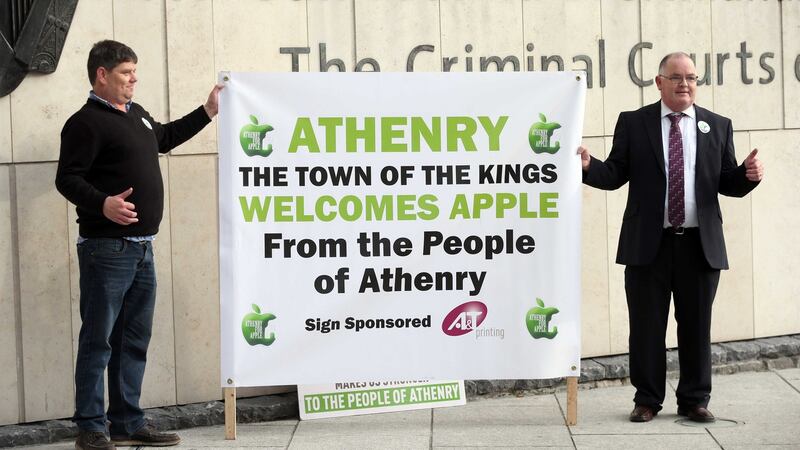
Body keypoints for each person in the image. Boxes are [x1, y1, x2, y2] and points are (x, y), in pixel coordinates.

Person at [577, 52, 763, 423]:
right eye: (676, 77)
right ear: (659, 82)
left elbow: (727, 182)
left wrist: (748, 175)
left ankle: (694, 400)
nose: (684, 84)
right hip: (649, 245)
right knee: (646, 328)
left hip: (700, 245)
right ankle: (647, 399)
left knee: (696, 327)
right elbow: (615, 174)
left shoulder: (717, 125)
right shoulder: (634, 123)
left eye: (691, 77)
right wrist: (588, 167)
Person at [55, 40, 223, 449]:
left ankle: (127, 421)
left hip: (143, 248)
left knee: (133, 339)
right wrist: (103, 203)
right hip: (107, 250)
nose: (134, 79)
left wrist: (207, 112)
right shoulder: (85, 122)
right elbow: (67, 178)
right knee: (99, 340)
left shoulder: (137, 115)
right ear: (102, 75)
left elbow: (164, 138)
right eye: (127, 73)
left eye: (135, 72)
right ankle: (91, 428)